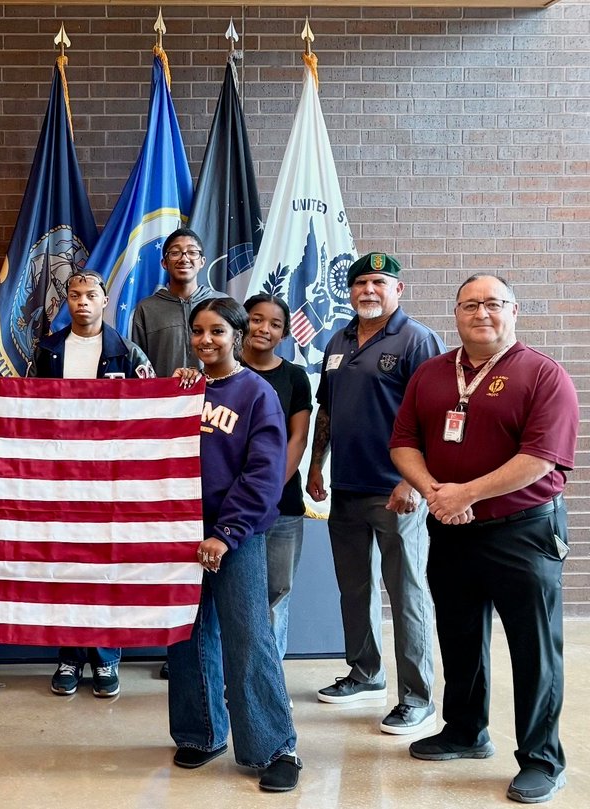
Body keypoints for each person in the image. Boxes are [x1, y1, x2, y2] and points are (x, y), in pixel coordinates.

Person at [390, 275, 577, 805]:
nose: (481, 313)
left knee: (534, 648)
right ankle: (465, 731)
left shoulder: (544, 374)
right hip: (450, 530)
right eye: (470, 304)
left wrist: (464, 492)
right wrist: (435, 493)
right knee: (458, 634)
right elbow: (404, 443)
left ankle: (542, 758)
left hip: (523, 531)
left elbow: (540, 459)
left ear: (513, 311)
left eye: (493, 304)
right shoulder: (430, 373)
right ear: (456, 313)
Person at [167, 297, 301, 793]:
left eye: (218, 332)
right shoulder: (183, 391)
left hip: (234, 537)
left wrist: (226, 534)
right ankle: (201, 734)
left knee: (248, 638)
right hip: (183, 534)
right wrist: (176, 391)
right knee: (186, 635)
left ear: (238, 335)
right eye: (198, 332)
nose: (206, 341)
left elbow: (263, 475)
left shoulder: (257, 393)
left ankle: (274, 746)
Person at [307, 252, 444, 735]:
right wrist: (316, 466)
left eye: (379, 282)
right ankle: (365, 674)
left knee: (407, 593)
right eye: (360, 282)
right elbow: (327, 409)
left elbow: (436, 416)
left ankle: (418, 698)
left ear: (398, 290)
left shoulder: (417, 339)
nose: (368, 289)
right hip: (344, 486)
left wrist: (415, 481)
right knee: (355, 588)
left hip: (396, 492)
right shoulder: (338, 340)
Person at [30, 270, 153, 698]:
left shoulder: (127, 351)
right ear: (67, 300)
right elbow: (28, 410)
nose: (82, 301)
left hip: (109, 480)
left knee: (105, 565)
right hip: (61, 478)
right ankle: (69, 656)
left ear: (105, 301)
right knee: (66, 566)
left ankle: (105, 657)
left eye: (91, 295)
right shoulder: (47, 350)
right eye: (75, 294)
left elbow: (150, 414)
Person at [241, 294, 312, 664]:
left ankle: (268, 679)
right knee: (235, 595)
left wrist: (268, 493)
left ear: (284, 334)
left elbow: (297, 438)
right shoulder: (222, 370)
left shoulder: (295, 377)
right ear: (242, 323)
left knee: (275, 593)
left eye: (274, 324)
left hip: (280, 506)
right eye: (256, 319)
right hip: (229, 507)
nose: (263, 329)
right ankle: (227, 678)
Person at [129, 228, 228, 377]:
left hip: (215, 395)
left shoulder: (223, 303)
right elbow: (140, 366)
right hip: (165, 396)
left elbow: (238, 356)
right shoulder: (147, 308)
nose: (184, 258)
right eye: (175, 253)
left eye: (192, 252)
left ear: (202, 262)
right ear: (164, 263)